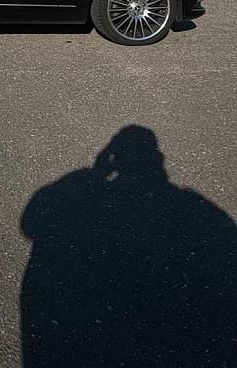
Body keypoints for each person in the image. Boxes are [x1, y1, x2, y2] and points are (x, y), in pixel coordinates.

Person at [20, 126, 237, 367]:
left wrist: (93, 175)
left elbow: (33, 222)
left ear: (114, 161)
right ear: (159, 160)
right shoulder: (191, 211)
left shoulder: (88, 214)